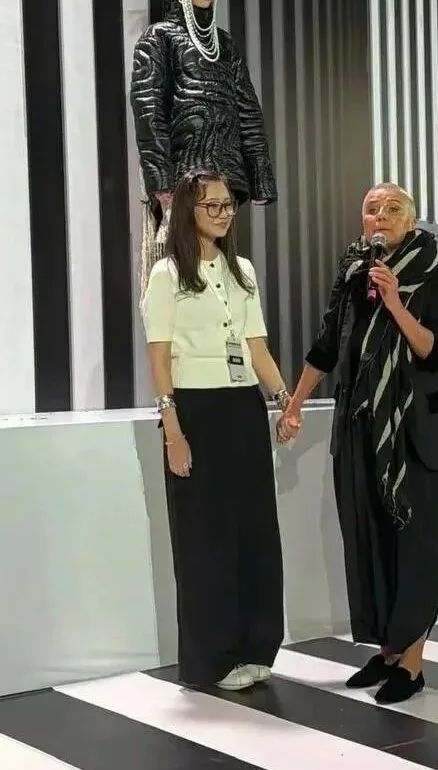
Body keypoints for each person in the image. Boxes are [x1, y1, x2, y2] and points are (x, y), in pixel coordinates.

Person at [278, 183, 438, 705]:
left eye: (392, 208)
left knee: (417, 546)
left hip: (416, 434)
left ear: (411, 220)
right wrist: (294, 404)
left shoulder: (433, 274)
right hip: (360, 429)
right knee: (370, 541)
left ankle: (413, 664)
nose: (381, 216)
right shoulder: (354, 275)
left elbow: (435, 352)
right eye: (372, 209)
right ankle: (387, 652)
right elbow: (327, 346)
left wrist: (396, 302)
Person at [142, 169, 290, 691]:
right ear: (189, 211)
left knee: (254, 531)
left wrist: (283, 399)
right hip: (196, 411)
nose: (225, 213)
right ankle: (213, 658)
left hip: (242, 408)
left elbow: (256, 346)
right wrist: (173, 430)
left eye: (229, 205)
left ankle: (257, 645)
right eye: (214, 206)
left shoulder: (242, 270)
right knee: (205, 539)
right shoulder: (167, 275)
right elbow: (159, 358)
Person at [131, 0, 277, 300]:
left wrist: (259, 178)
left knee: (220, 270)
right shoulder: (159, 38)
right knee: (176, 272)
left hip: (224, 177)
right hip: (183, 180)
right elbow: (149, 111)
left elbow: (247, 110)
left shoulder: (225, 45)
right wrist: (162, 183)